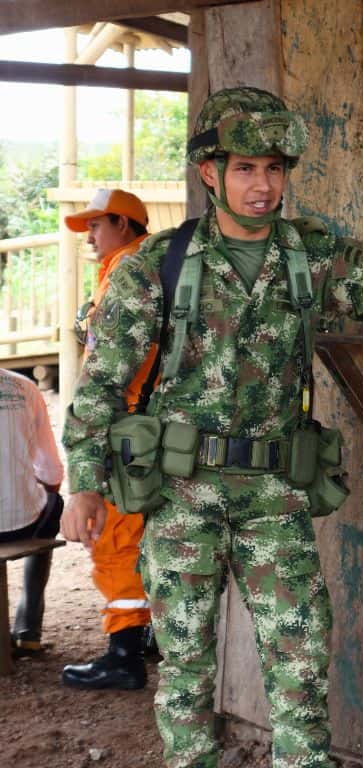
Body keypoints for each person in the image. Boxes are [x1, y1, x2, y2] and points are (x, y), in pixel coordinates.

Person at [61, 87, 363, 768]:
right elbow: (102, 381)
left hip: (274, 495)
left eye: (274, 168)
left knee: (301, 664)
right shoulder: (158, 264)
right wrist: (85, 483)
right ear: (210, 173)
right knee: (186, 669)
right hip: (182, 494)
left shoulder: (310, 255)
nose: (263, 185)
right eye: (244, 168)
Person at [60, 189, 155, 690]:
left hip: (126, 425)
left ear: (122, 223)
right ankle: (145, 640)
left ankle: (124, 656)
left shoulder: (128, 273)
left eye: (96, 225)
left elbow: (110, 369)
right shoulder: (146, 267)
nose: (90, 237)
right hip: (150, 426)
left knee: (114, 537)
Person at [0, 368, 64, 656]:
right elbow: (51, 472)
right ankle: (28, 629)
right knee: (53, 503)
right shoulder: (24, 386)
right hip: (23, 525)